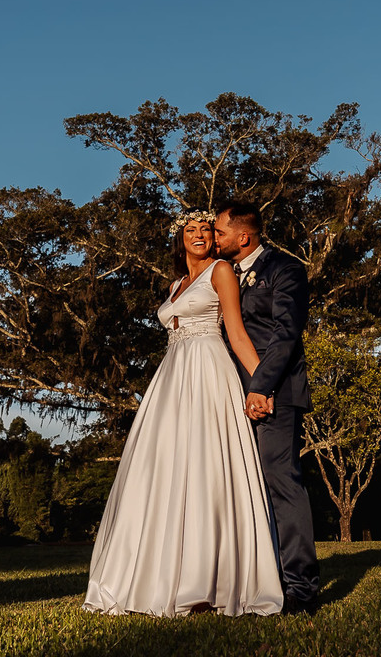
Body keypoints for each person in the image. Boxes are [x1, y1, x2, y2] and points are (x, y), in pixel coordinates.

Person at [83, 210, 283, 617]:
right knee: (162, 467)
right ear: (181, 239)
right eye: (191, 230)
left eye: (206, 229)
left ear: (214, 238)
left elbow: (236, 332)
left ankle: (207, 581)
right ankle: (158, 575)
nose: (199, 235)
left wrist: (262, 385)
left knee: (206, 465)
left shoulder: (221, 271)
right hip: (172, 377)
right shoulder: (175, 285)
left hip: (208, 370)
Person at [214, 200, 320, 614]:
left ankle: (301, 589)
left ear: (243, 236)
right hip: (229, 395)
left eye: (220, 231)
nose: (214, 238)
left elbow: (286, 333)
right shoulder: (222, 273)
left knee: (281, 483)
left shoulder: (284, 269)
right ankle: (257, 581)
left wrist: (261, 387)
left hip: (275, 394)